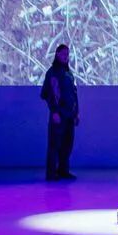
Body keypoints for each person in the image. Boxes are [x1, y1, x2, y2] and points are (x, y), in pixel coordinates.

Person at [40, 44, 79, 181]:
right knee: (55, 144)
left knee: (67, 144)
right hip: (59, 115)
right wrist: (54, 111)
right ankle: (51, 173)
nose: (66, 57)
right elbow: (47, 94)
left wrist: (76, 112)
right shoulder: (52, 73)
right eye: (63, 54)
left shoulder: (69, 73)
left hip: (69, 115)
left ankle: (63, 170)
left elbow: (74, 94)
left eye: (67, 54)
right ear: (57, 54)